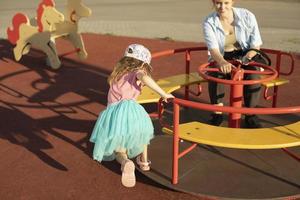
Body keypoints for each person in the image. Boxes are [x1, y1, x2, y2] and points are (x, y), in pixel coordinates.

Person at [89, 44, 174, 188]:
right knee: (143, 134)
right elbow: (145, 78)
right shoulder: (138, 71)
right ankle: (144, 161)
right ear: (142, 63)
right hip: (132, 110)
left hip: (114, 113)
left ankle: (125, 162)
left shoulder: (117, 74)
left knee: (119, 148)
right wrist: (163, 93)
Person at [202, 0, 263, 128]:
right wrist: (222, 61)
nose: (222, 7)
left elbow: (255, 44)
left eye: (226, 3)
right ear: (213, 2)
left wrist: (247, 57)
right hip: (222, 56)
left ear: (232, 2)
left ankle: (250, 114)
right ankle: (217, 113)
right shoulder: (209, 21)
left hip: (246, 54)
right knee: (215, 75)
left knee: (253, 76)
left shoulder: (247, 16)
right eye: (218, 3)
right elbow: (213, 48)